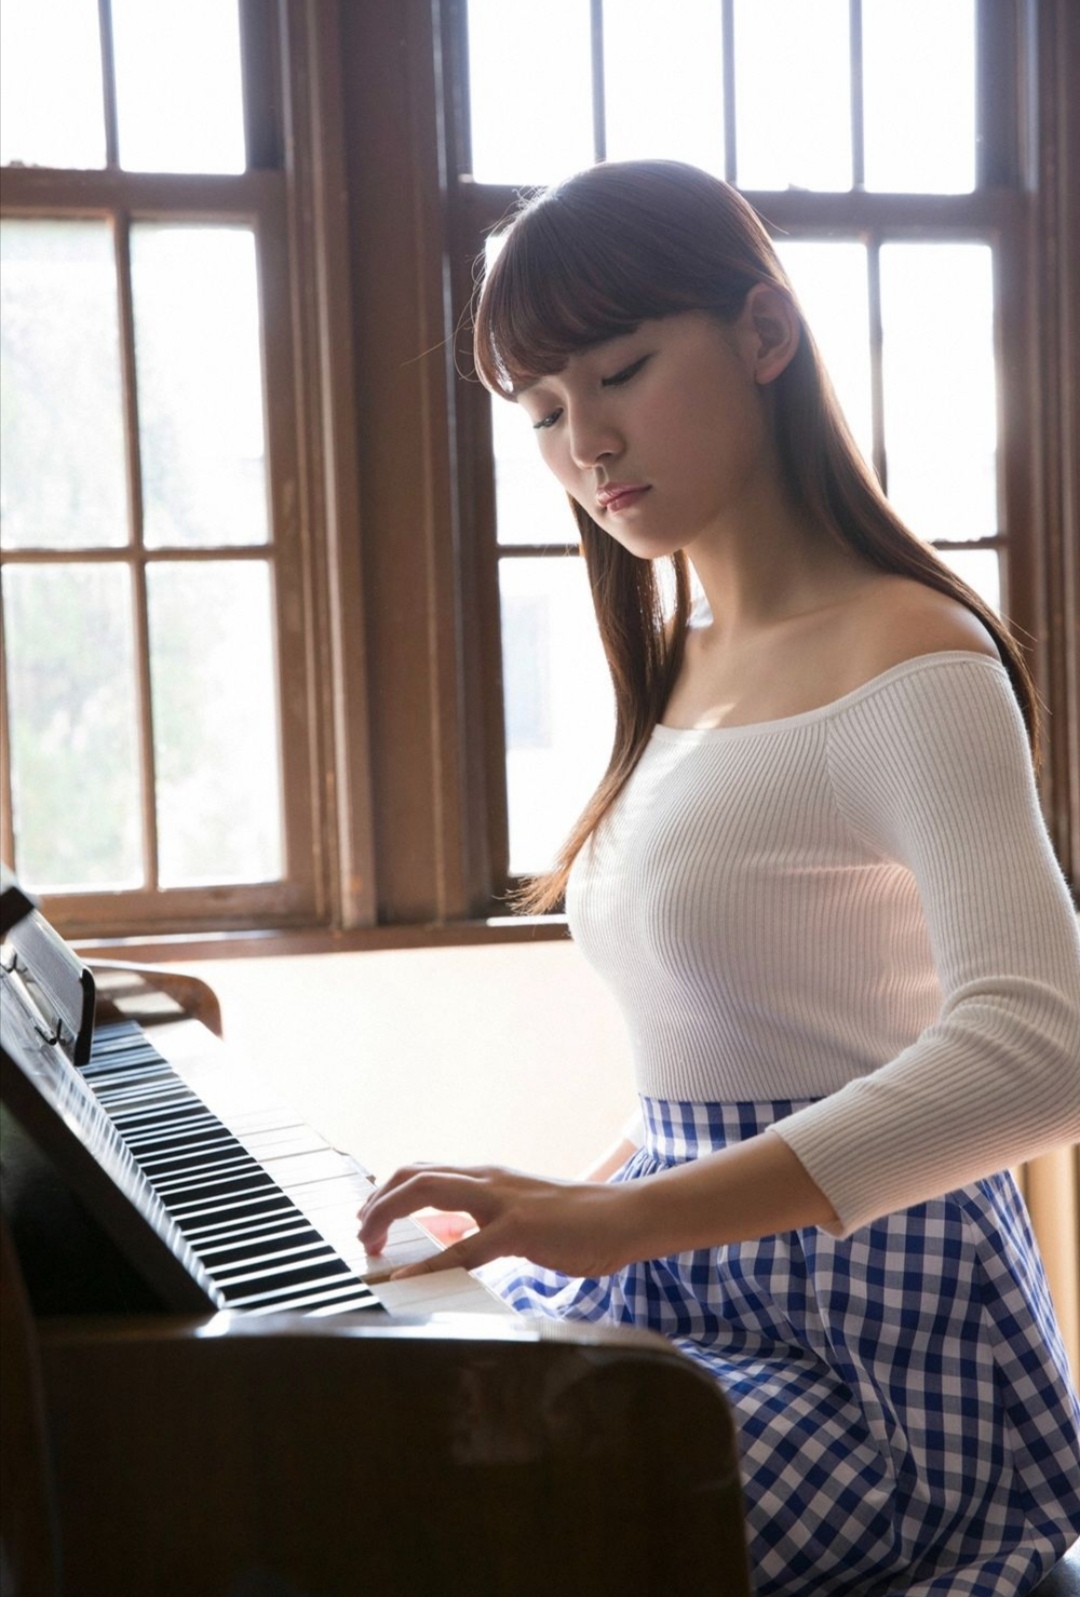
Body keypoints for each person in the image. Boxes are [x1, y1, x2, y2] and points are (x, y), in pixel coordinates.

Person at [359, 161, 1080, 1594]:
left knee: (464, 1527)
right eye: (547, 411)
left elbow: (1045, 1046)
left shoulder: (912, 656)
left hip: (874, 1344)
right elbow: (727, 1063)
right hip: (691, 1280)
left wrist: (612, 1218)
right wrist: (557, 1203)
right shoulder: (676, 667)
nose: (589, 441)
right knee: (341, 1426)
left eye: (622, 370)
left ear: (765, 334)